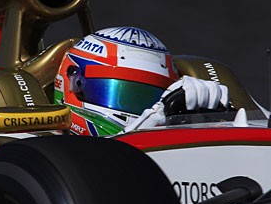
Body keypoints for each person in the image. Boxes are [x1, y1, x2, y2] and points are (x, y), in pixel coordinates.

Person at [54, 26, 228, 136]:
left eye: (148, 97)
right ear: (74, 83)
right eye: (118, 93)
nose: (146, 111)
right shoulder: (37, 142)